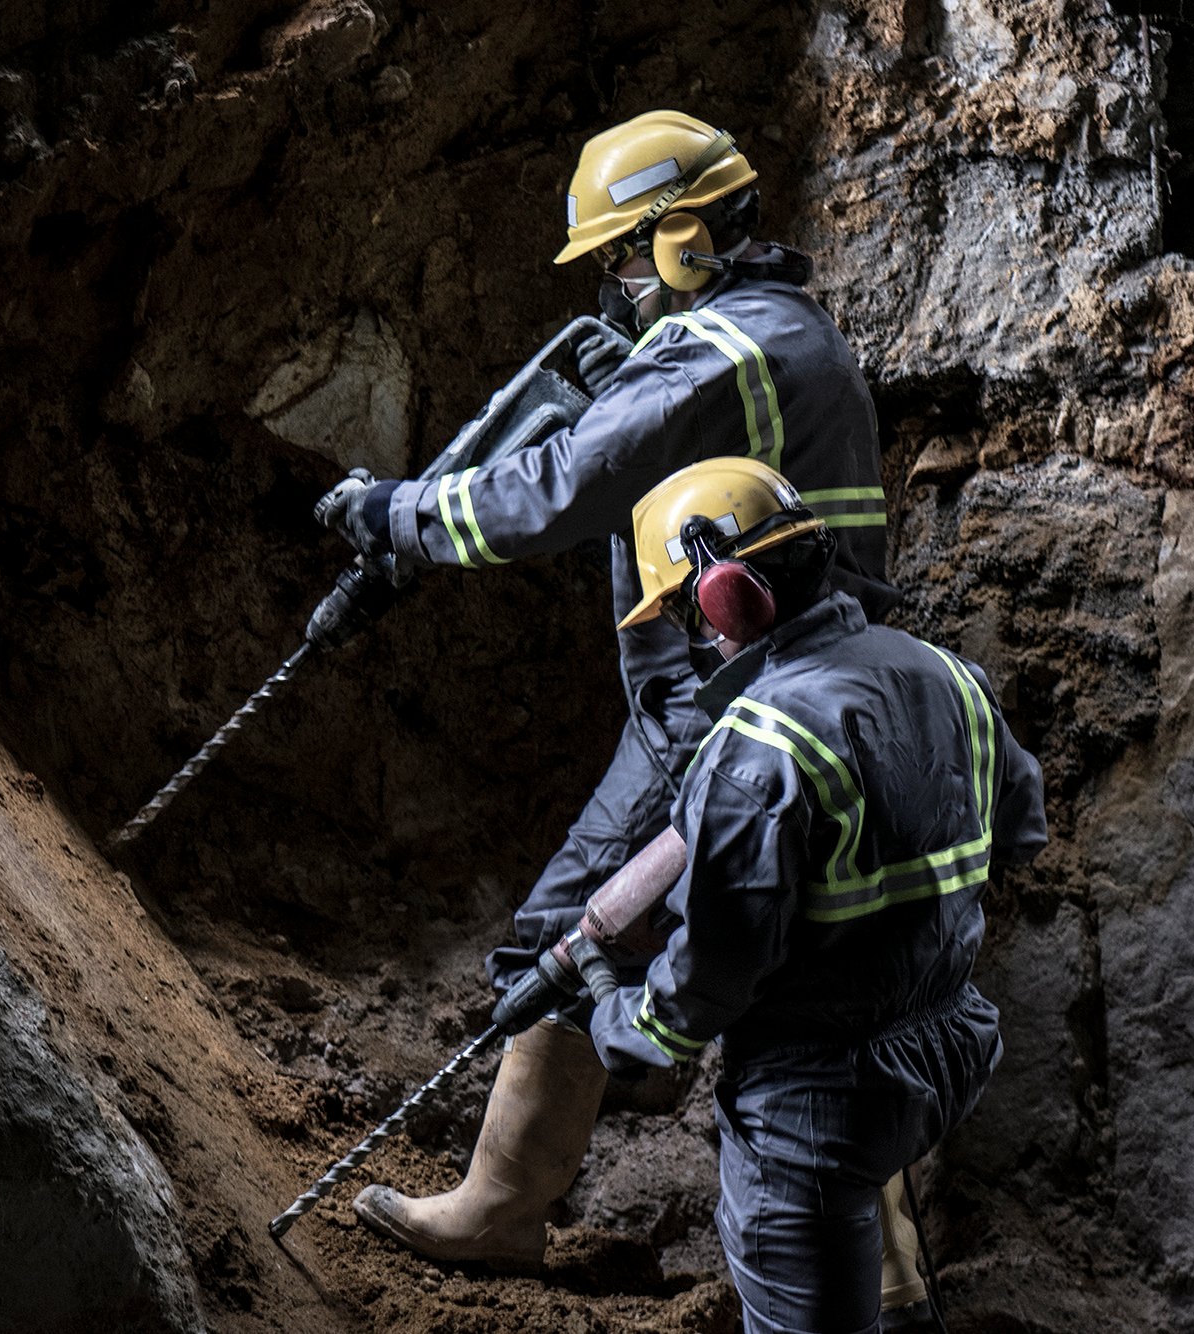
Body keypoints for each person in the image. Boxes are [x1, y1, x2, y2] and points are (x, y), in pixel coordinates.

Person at [320, 111, 903, 1276]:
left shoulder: (719, 348)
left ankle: (501, 1206)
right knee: (822, 993)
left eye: (623, 256)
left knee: (560, 940)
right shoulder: (782, 331)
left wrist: (403, 513)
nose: (615, 283)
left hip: (726, 708)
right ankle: (883, 1279)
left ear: (681, 238)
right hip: (795, 689)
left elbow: (562, 488)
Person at [590, 457, 1047, 1333]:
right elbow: (1019, 832)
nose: (696, 638)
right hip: (946, 1048)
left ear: (726, 596)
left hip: (816, 1105)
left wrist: (621, 1018)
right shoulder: (951, 674)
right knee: (884, 1285)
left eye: (687, 614)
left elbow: (711, 981)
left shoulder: (755, 747)